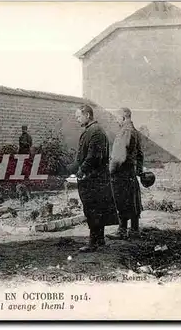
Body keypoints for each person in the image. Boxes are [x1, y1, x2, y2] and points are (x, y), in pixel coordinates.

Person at [67, 105, 118, 252]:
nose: (77, 119)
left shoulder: (96, 132)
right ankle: (99, 240)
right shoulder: (91, 131)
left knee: (93, 209)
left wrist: (81, 170)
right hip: (92, 178)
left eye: (78, 116)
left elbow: (93, 157)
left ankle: (93, 242)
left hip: (94, 179)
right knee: (93, 208)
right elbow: (84, 156)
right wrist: (70, 168)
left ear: (87, 115)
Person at [107, 108, 144, 240]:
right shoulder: (135, 131)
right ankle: (134, 230)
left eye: (117, 118)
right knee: (132, 200)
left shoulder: (124, 131)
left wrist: (110, 171)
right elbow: (140, 154)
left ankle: (122, 231)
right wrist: (139, 170)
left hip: (121, 172)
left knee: (121, 200)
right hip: (130, 172)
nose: (116, 121)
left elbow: (119, 157)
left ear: (123, 117)